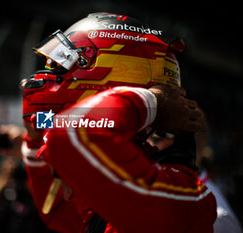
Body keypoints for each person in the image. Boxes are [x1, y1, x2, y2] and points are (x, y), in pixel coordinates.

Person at [21, 13, 217, 233]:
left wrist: (152, 102)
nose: (36, 79)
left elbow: (71, 131)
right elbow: (59, 214)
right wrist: (35, 139)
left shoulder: (183, 197)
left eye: (58, 66)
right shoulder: (113, 183)